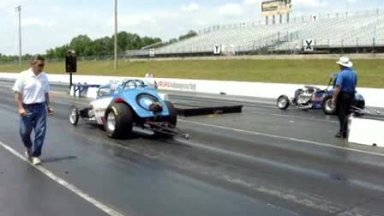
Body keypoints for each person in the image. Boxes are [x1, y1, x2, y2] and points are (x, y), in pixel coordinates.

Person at [12, 55, 54, 165]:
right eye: (40, 65)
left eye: (43, 65)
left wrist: (48, 106)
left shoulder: (44, 76)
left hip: (40, 108)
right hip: (27, 108)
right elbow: (17, 93)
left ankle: (36, 155)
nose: (42, 67)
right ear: (33, 64)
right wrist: (20, 108)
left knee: (40, 132)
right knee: (24, 132)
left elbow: (46, 93)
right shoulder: (23, 76)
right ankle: (28, 147)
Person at [332, 56, 357, 139]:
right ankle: (345, 130)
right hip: (351, 94)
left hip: (343, 95)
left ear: (341, 65)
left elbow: (338, 86)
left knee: (341, 113)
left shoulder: (341, 74)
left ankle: (343, 131)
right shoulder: (354, 73)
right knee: (347, 113)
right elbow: (355, 84)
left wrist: (334, 97)